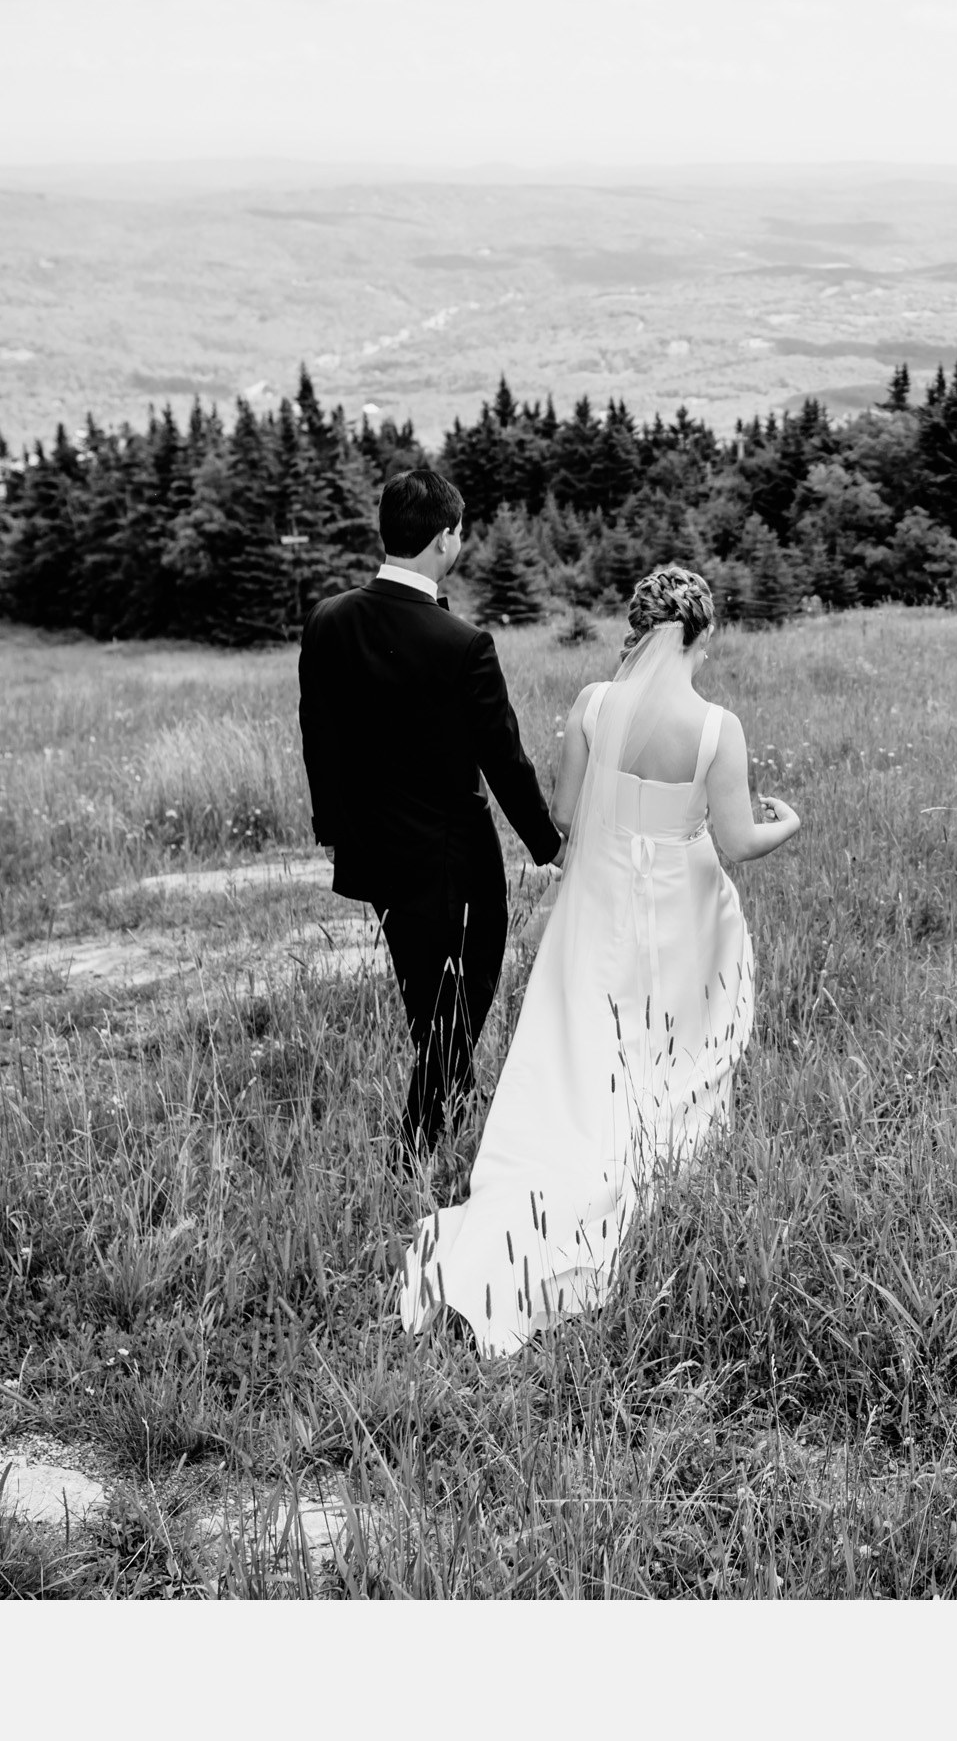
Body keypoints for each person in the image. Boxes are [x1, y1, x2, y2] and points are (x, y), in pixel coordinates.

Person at [400, 564, 800, 1355]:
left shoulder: (593, 704)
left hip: (598, 899)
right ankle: (642, 1164)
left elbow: (560, 816)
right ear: (700, 632)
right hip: (680, 907)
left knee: (582, 1040)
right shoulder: (718, 727)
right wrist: (788, 822)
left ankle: (555, 1168)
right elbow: (738, 842)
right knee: (669, 1047)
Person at [298, 468, 565, 1163]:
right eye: (461, 529)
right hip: (456, 861)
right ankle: (414, 1148)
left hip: (378, 858)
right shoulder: (463, 643)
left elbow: (317, 737)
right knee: (463, 1004)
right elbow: (504, 760)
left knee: (429, 1003)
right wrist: (550, 844)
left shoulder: (327, 619)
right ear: (445, 539)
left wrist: (336, 834)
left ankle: (460, 1111)